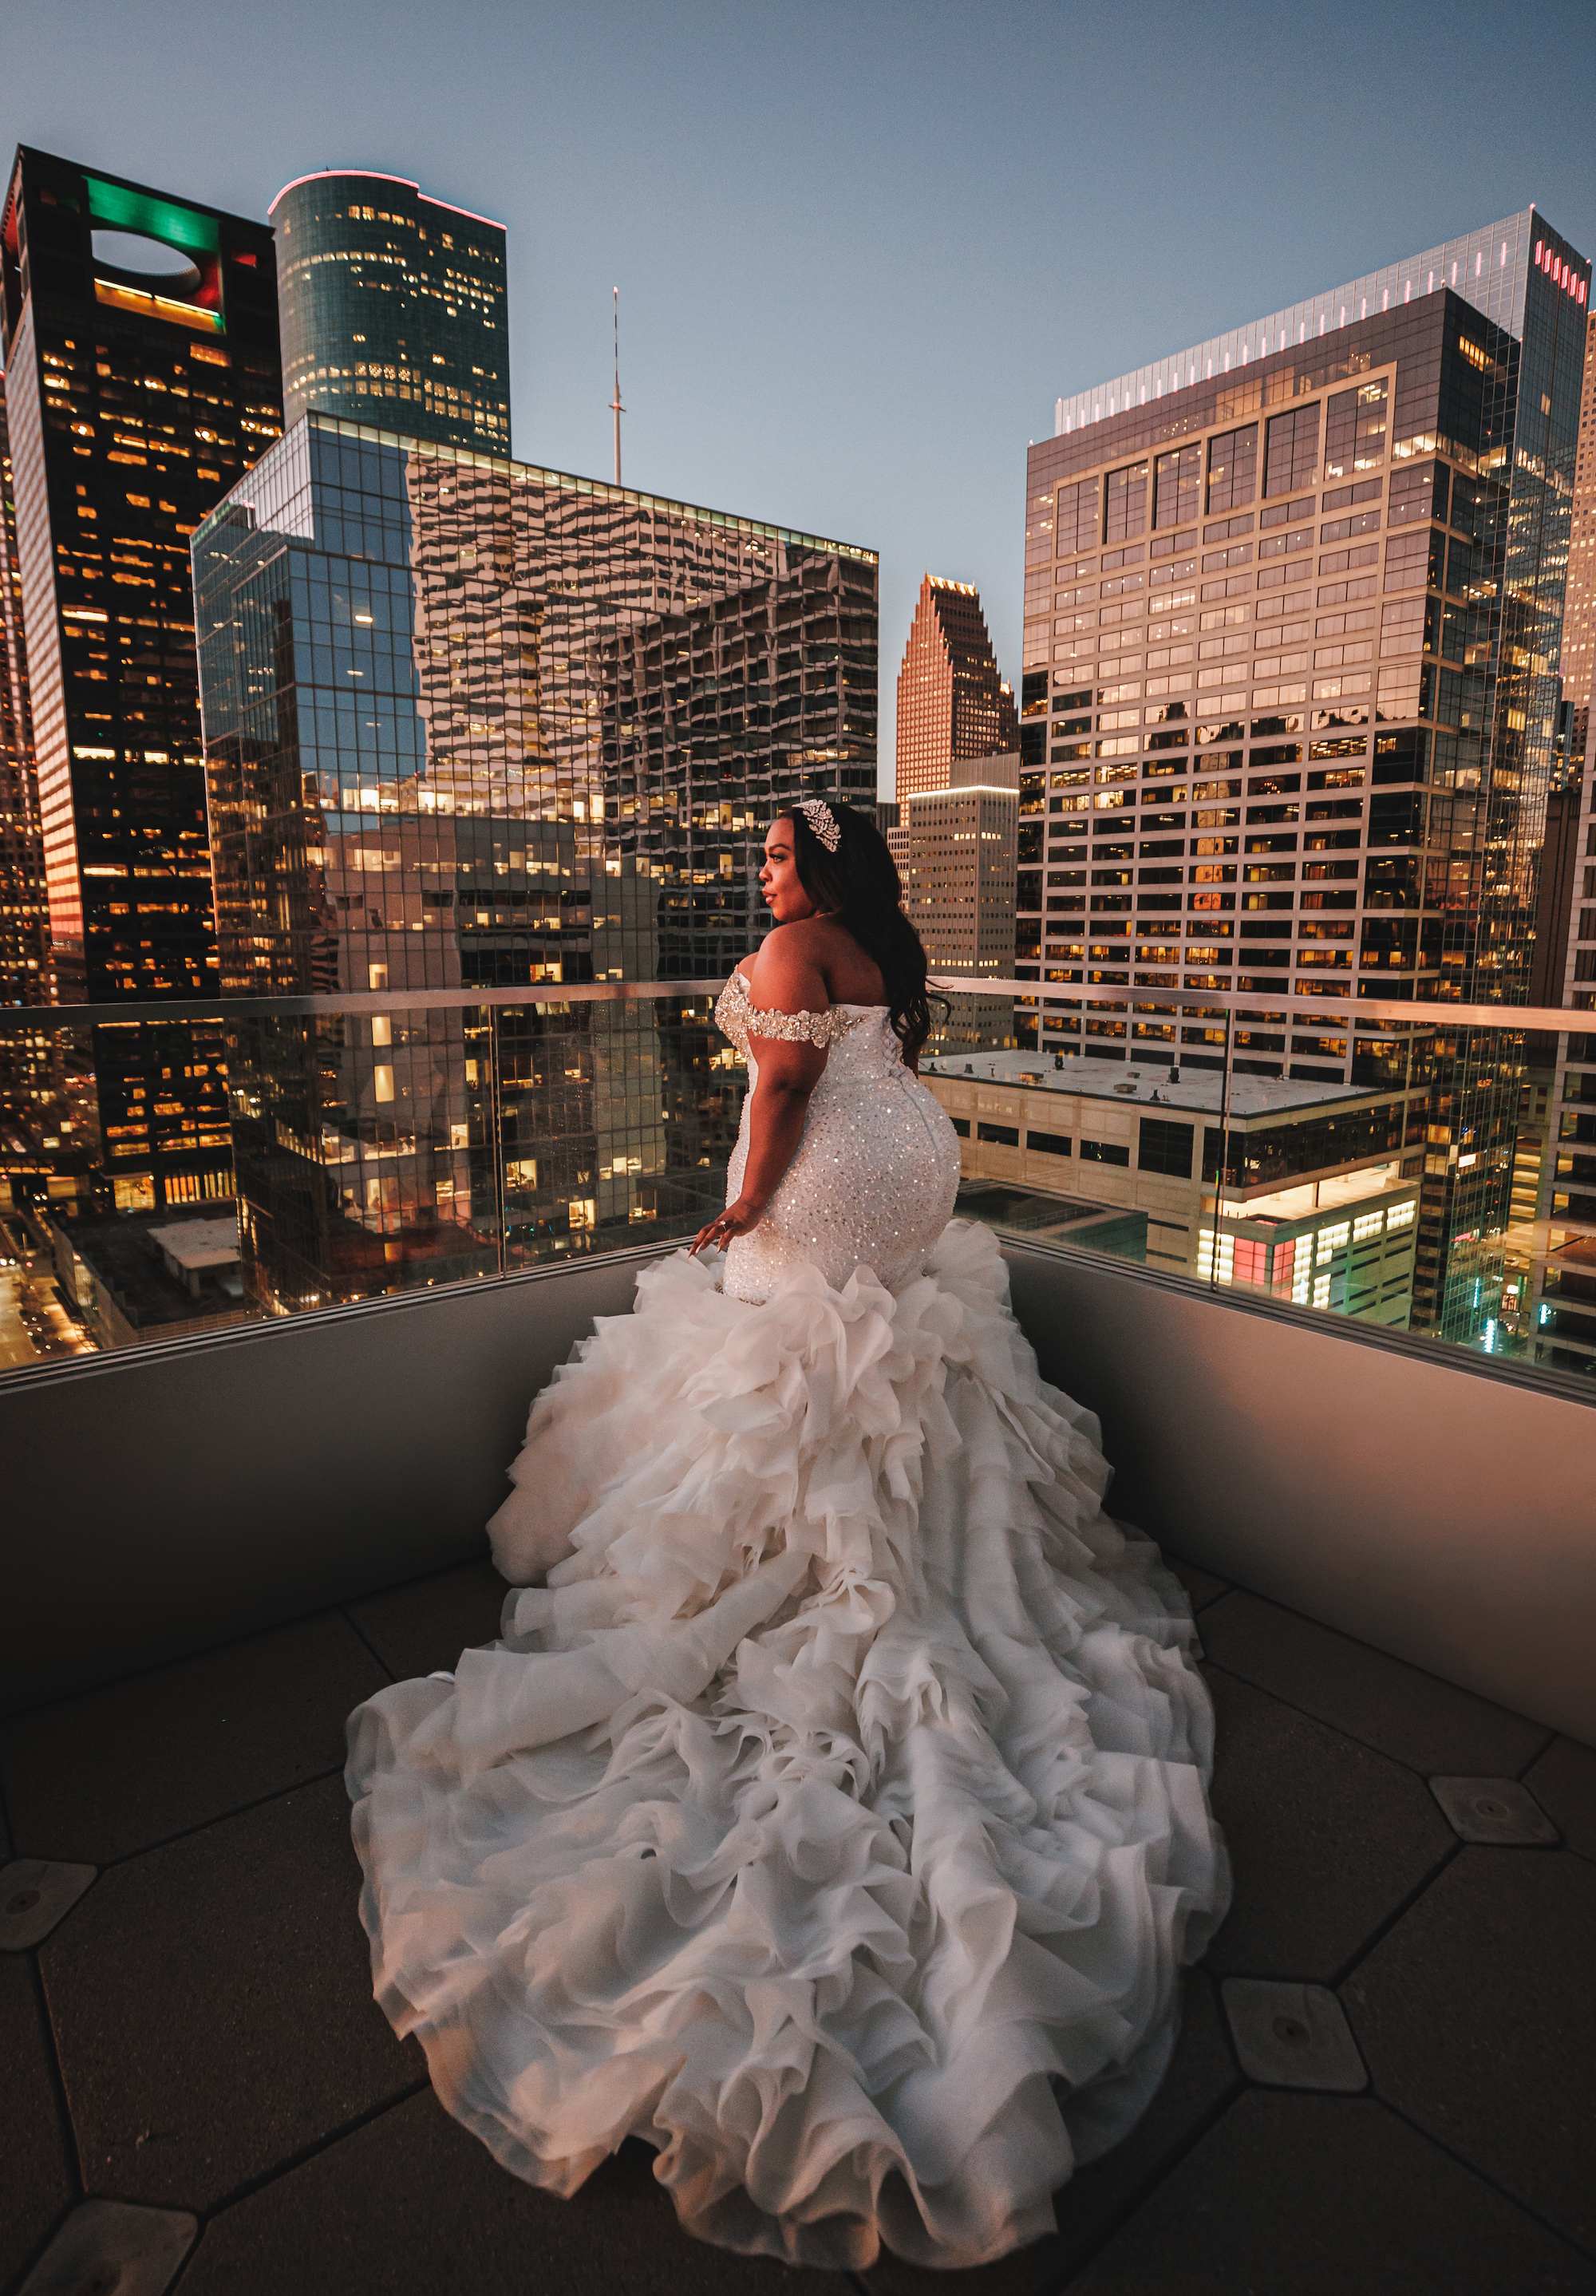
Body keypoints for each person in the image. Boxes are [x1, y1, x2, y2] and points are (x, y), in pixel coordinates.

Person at [346, 796, 1228, 2273]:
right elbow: (855, 1063)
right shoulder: (876, 943)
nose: (761, 878)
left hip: (830, 1187)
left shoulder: (785, 947)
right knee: (882, 1354)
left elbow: (773, 1096)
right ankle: (908, 1556)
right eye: (767, 862)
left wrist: (743, 1204)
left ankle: (783, 1566)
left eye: (774, 856)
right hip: (915, 1179)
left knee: (757, 1321)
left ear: (813, 867)